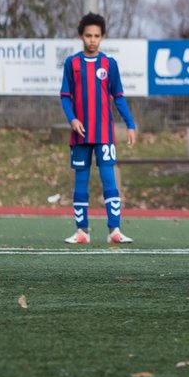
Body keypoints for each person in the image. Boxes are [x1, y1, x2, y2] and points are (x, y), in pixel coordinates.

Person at [60, 12, 137, 244]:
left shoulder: (109, 64)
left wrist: (130, 124)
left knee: (109, 180)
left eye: (96, 36)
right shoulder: (71, 63)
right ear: (81, 36)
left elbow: (119, 97)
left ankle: (114, 230)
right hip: (80, 134)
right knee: (80, 182)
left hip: (104, 134)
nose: (92, 40)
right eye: (88, 35)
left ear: (102, 37)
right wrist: (72, 119)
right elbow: (64, 96)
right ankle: (82, 231)